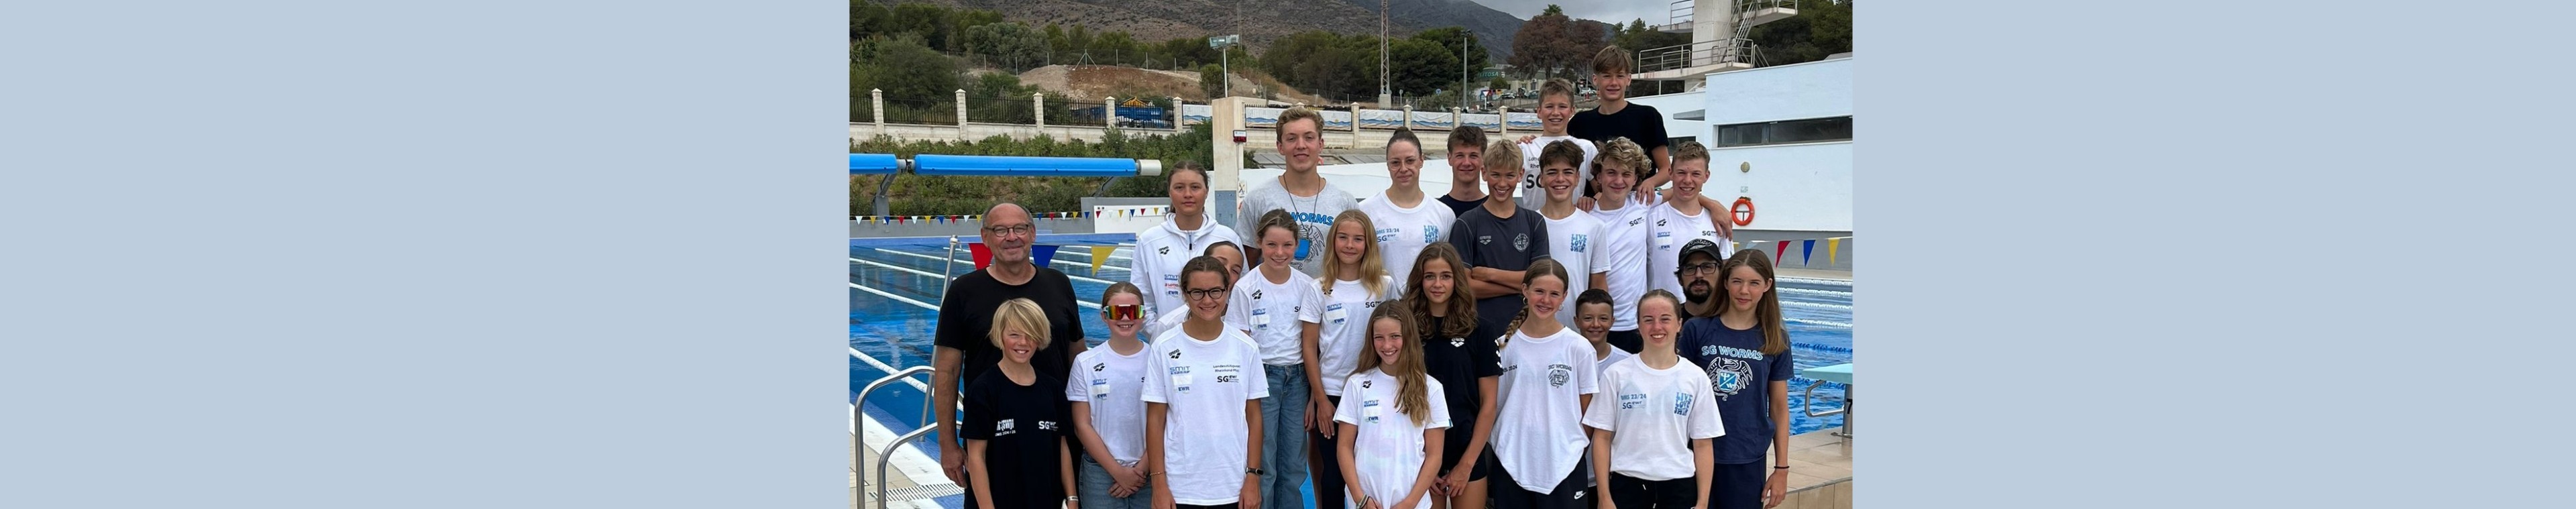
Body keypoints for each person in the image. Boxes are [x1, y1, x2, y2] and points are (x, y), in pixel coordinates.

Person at [936, 203, 1090, 504]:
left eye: (1019, 228)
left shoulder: (1059, 283)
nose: (1012, 237)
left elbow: (1079, 357)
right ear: (985, 237)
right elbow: (947, 371)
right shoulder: (964, 291)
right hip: (996, 442)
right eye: (1001, 230)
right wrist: (947, 444)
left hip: (1054, 435)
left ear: (1032, 234)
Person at [1145, 256, 1270, 509]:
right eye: (1197, 293)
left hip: (1233, 483)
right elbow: (1155, 420)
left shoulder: (1246, 347)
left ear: (1227, 291)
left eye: (1215, 291)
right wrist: (1159, 484)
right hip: (1181, 485)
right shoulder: (1164, 347)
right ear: (1185, 294)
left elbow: (1254, 417)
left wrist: (1252, 477)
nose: (1207, 300)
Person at [1676, 250, 1796, 509]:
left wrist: (1782, 469)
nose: (1744, 291)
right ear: (1726, 282)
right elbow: (1679, 391)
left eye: (1754, 283)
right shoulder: (1698, 329)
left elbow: (1778, 407)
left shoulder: (1775, 339)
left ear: (1767, 286)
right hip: (1695, 450)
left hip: (1746, 455)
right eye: (1737, 281)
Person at [1582, 290, 1721, 509]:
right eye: (1649, 320)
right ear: (1638, 326)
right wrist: (1604, 497)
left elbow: (1703, 444)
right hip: (1627, 484)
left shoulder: (1695, 378)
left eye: (1665, 319)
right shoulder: (1617, 375)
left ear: (1679, 324)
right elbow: (1602, 438)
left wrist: (1703, 502)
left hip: (1679, 485)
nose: (1657, 327)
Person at [1485, 260, 1599, 509]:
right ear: (1525, 291)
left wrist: (1572, 446)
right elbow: (1492, 404)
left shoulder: (1578, 348)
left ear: (1564, 297)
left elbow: (1587, 411)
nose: (1546, 300)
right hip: (1511, 461)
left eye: (1554, 294)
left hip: (1563, 464)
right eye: (1539, 291)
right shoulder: (1502, 346)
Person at [1230, 209, 1323, 509]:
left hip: (1297, 381)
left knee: (1294, 465)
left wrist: (1313, 397)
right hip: (1262, 380)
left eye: (1286, 245)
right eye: (1271, 245)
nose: (1279, 253)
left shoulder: (1307, 285)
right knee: (1264, 463)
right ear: (1259, 243)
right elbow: (1241, 347)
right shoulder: (1246, 287)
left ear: (1297, 246)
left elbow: (1313, 345)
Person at [1312, 210, 1401, 509]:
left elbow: (1398, 336)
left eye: (1358, 239)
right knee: (1334, 474)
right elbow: (1309, 348)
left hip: (1377, 390)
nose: (1350, 245)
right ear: (1333, 241)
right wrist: (1321, 399)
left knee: (1372, 468)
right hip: (1334, 394)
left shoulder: (1384, 285)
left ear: (1369, 244)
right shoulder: (1320, 288)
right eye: (1343, 237)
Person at [1400, 244, 1499, 509]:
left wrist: (1466, 465)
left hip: (1465, 450)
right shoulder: (1405, 328)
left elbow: (1489, 404)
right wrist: (1424, 464)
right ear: (1419, 280)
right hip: (1417, 451)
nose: (1438, 284)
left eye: (1446, 276)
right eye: (1430, 276)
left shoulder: (1481, 331)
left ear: (1457, 279)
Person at [1334, 302, 1452, 509]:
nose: (1387, 346)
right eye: (1379, 338)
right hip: (1365, 503)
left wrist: (1410, 503)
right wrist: (1360, 499)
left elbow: (1435, 455)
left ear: (1408, 337)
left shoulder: (1431, 388)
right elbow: (1344, 447)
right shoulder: (1357, 384)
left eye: (1395, 337)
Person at [966, 298, 1080, 509]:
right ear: (1000, 335)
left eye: (1031, 335)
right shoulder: (984, 390)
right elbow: (976, 457)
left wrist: (1072, 499)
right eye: (1014, 334)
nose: (1023, 342)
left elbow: (1062, 447)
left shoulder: (1053, 389)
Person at [1450, 139, 1551, 347]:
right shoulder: (1467, 223)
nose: (1502, 184)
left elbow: (1541, 282)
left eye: (1510, 176)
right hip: (1479, 331)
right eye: (1496, 175)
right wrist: (1522, 287)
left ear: (1521, 175)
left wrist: (1489, 274)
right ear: (1484, 173)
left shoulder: (1535, 222)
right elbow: (1464, 288)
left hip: (1527, 330)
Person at [1238, 107, 1358, 278]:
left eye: (1309, 138)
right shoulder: (1258, 200)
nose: (1301, 145)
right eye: (1292, 139)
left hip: (1327, 302)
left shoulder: (1345, 203)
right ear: (1280, 147)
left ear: (1321, 144)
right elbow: (1245, 269)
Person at [1070, 284, 1157, 509]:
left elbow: (1167, 418)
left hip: (1151, 465)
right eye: (1118, 312)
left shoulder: (1158, 360)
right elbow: (1082, 425)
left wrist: (1142, 469)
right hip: (1101, 470)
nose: (1126, 318)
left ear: (1143, 315)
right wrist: (1118, 472)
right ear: (1104, 317)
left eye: (1133, 311)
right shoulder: (1086, 363)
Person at [1133, 162, 1243, 324]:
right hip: (1170, 344)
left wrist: (1227, 333)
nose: (1188, 194)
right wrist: (1159, 333)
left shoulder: (1228, 238)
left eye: (1195, 187)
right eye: (1179, 188)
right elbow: (1141, 299)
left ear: (1206, 191)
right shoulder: (1149, 241)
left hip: (1220, 341)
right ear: (1169, 192)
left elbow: (1241, 295)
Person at [1356, 127, 1455, 282]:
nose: (1403, 169)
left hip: (1426, 305)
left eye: (1410, 161)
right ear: (1388, 165)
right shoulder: (1366, 211)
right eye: (1396, 163)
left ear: (1421, 160)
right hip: (1383, 305)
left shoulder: (1444, 214)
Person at [1569, 46, 1672, 193]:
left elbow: (1666, 169)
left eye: (1620, 76)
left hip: (1637, 207)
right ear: (1595, 79)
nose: (1614, 83)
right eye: (1606, 76)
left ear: (1628, 79)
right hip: (1594, 210)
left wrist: (1649, 183)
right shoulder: (1579, 122)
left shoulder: (1648, 117)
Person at [1531, 140, 1609, 328]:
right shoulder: (1529, 224)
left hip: (1577, 332)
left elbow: (1598, 285)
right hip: (1534, 328)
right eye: (1552, 172)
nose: (1560, 179)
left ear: (1577, 178)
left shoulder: (1594, 227)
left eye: (1567, 172)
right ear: (1541, 178)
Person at [1646, 141, 1733, 301]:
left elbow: (1727, 272)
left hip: (1705, 314)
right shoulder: (1650, 218)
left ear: (1706, 176)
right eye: (1681, 173)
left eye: (1696, 174)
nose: (1687, 180)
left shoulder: (1719, 221)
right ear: (1670, 173)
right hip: (1663, 316)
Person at [1570, 288, 1627, 504]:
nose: (1596, 324)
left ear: (1612, 321)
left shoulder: (1626, 363)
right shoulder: (1564, 357)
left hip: (1611, 472)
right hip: (1569, 468)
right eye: (1588, 318)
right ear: (1576, 320)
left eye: (1603, 318)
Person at [1515, 80, 1597, 212]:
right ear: (1539, 112)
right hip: (1534, 226)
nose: (1555, 112)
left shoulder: (1586, 148)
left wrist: (1592, 199)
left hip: (1572, 227)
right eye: (1549, 106)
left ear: (1572, 111)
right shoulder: (1525, 148)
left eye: (1562, 107)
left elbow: (1604, 188)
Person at [1152, 241, 1246, 337]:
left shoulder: (1243, 323)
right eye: (1220, 264)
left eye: (1235, 270)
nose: (1227, 272)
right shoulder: (1168, 325)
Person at [1436, 126, 1490, 217]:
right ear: (1449, 158)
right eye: (1460, 156)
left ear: (1484, 159)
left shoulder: (1495, 210)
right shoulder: (1436, 211)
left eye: (1473, 156)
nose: (1466, 163)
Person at [1672, 239, 1728, 320]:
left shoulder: (1734, 321)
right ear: (1680, 279)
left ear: (1721, 275)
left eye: (1707, 267)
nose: (1698, 275)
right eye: (1690, 268)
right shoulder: (1670, 321)